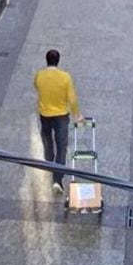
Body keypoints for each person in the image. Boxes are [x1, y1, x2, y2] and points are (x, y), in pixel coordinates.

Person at [33, 49, 83, 194]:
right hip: (61, 115)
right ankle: (57, 180)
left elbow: (36, 86)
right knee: (62, 145)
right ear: (58, 61)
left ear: (46, 60)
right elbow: (72, 99)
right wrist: (77, 115)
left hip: (45, 114)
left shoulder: (39, 75)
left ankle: (49, 161)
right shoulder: (65, 77)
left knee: (47, 140)